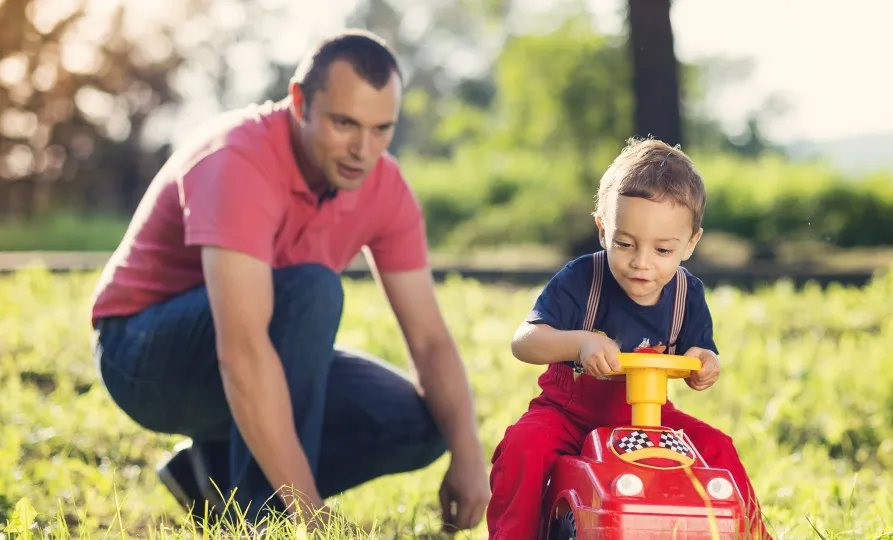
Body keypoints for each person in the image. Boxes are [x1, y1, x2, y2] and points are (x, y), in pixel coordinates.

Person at [88, 29, 490, 532]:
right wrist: (310, 515)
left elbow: (429, 340)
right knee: (312, 292)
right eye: (344, 123)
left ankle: (210, 478)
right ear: (299, 100)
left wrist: (470, 457)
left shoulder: (383, 185)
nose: (362, 150)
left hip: (251, 343)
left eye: (381, 128)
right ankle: (267, 519)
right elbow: (242, 349)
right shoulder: (238, 158)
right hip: (144, 356)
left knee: (421, 425)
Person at [485, 138, 771, 539]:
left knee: (717, 446)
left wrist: (705, 363)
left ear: (690, 244)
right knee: (523, 445)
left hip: (648, 421)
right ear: (603, 229)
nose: (641, 262)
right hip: (568, 415)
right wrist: (579, 343)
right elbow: (524, 341)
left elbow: (699, 351)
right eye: (625, 243)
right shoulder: (583, 279)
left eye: (662, 250)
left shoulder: (687, 296)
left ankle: (751, 534)